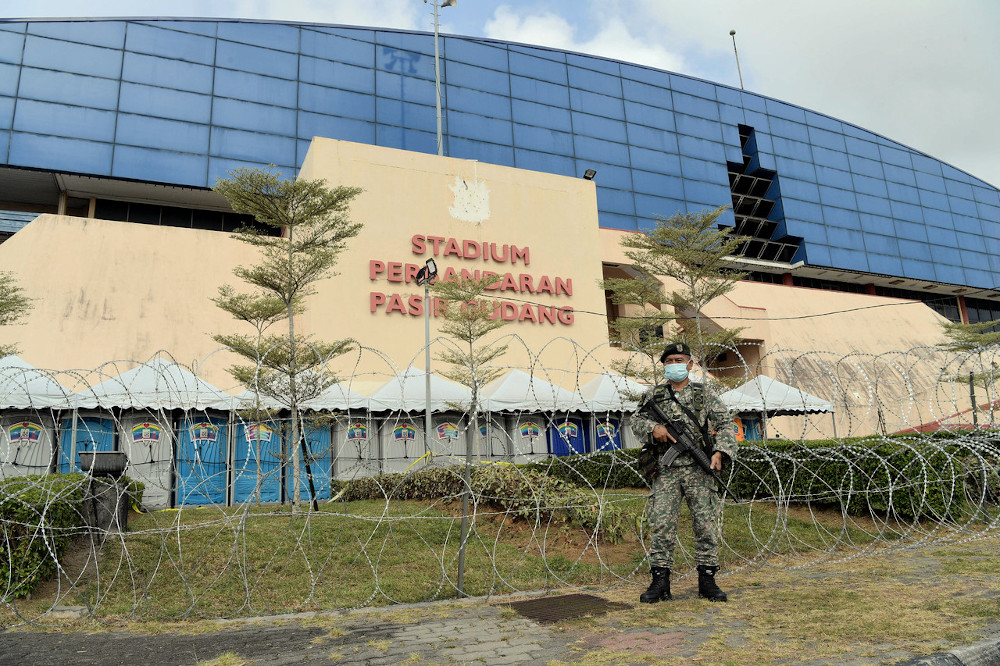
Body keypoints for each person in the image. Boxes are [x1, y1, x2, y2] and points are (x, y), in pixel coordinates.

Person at [631, 341, 738, 603]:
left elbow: (725, 424)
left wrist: (719, 452)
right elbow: (635, 420)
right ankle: (660, 582)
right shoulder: (653, 396)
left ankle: (707, 579)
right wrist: (653, 430)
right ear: (664, 366)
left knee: (705, 526)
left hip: (699, 471)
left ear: (690, 364)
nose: (674, 365)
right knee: (662, 526)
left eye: (679, 360)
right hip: (666, 471)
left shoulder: (704, 394)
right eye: (669, 361)